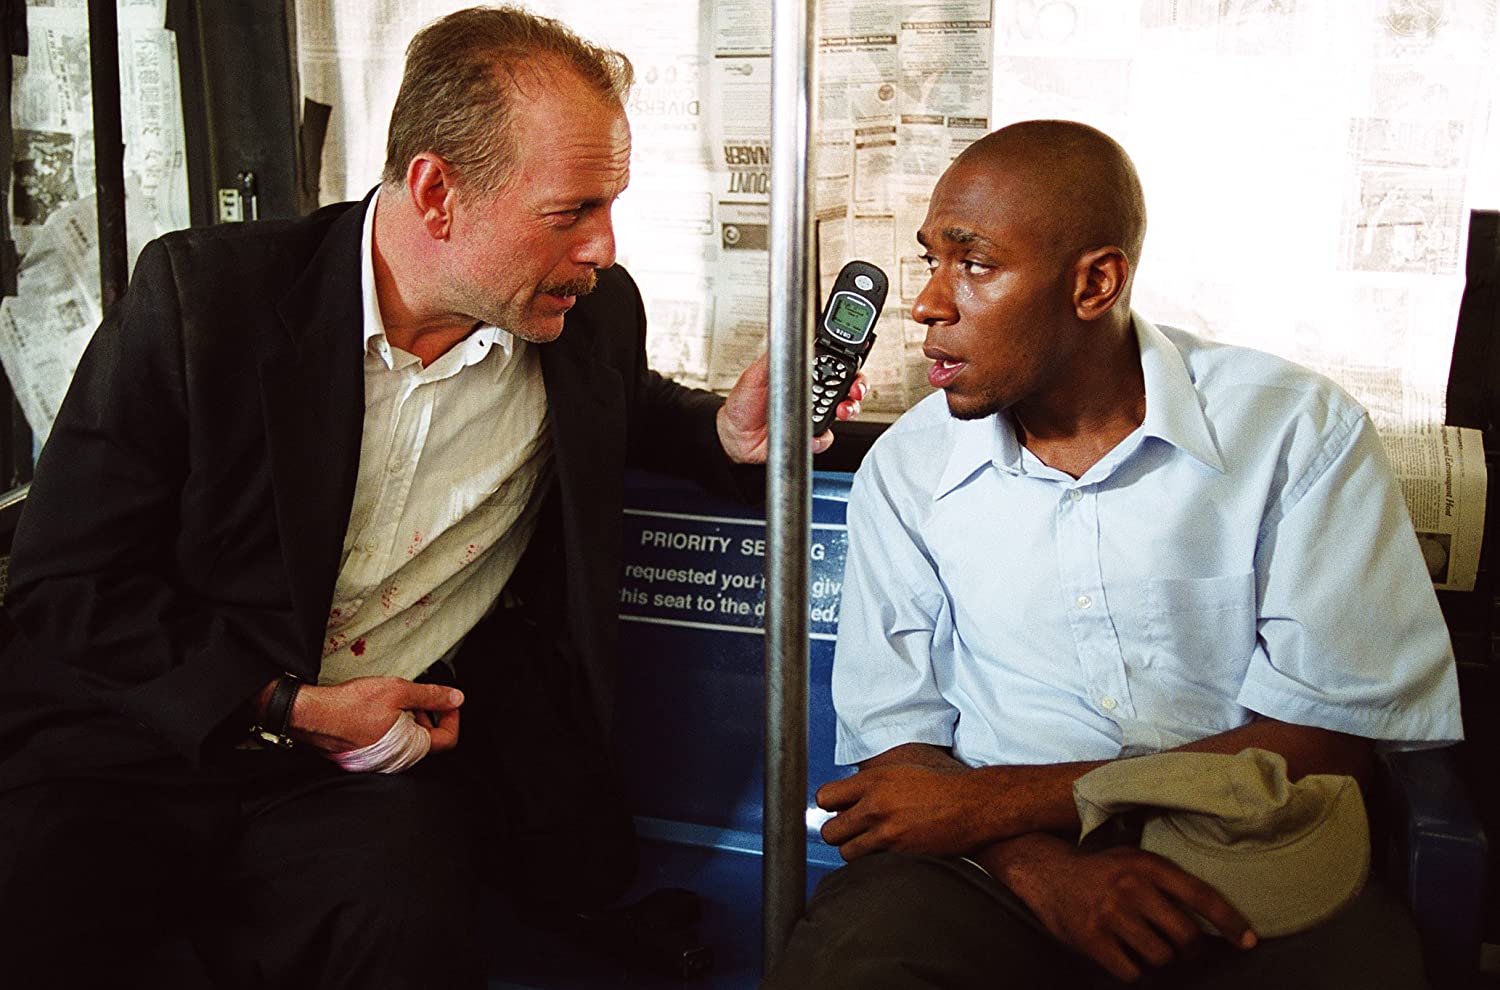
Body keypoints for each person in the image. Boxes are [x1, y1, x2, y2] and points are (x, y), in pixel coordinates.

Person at [0, 7, 861, 988]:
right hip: (138, 738)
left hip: (351, 781)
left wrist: (724, 436)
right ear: (437, 193)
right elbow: (69, 583)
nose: (603, 247)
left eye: (611, 206)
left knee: (409, 923)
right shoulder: (208, 303)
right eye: (571, 212)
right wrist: (290, 703)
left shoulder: (584, 319)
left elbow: (638, 412)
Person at [762, 119, 1462, 989]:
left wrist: (996, 798)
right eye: (931, 260)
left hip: (1250, 844)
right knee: (848, 967)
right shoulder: (910, 468)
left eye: (974, 265)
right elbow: (898, 745)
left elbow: (1330, 736)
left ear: (1095, 283)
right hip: (994, 864)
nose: (930, 303)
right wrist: (1042, 869)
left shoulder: (1294, 434)